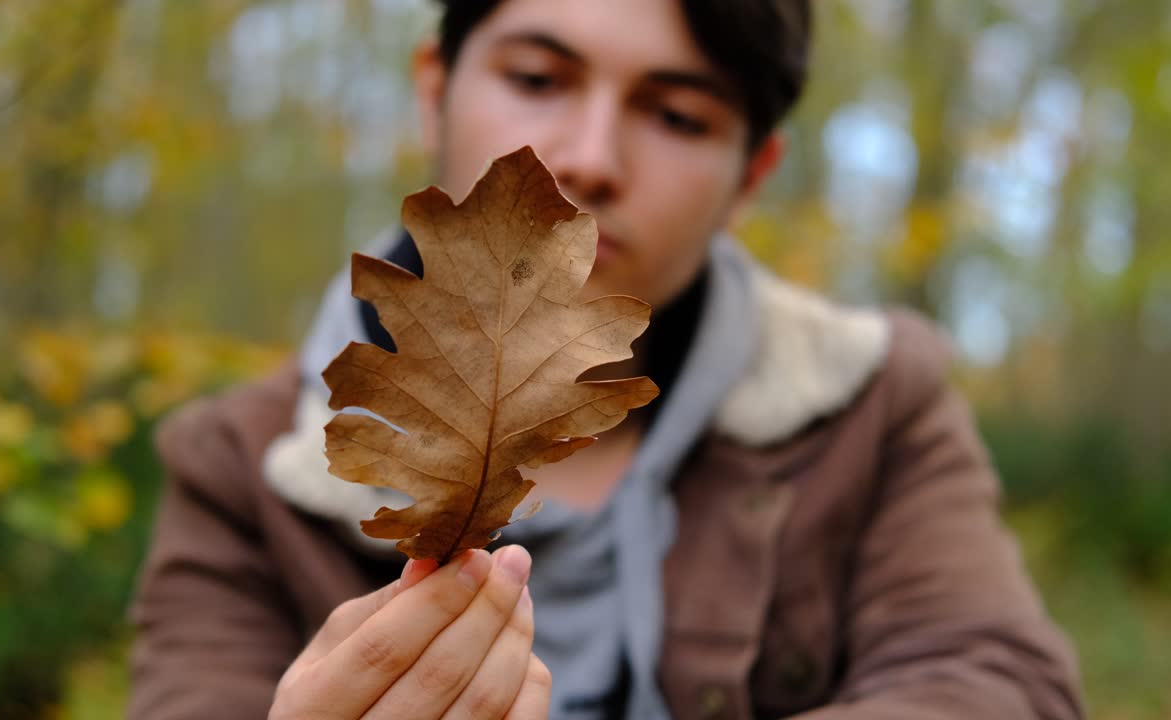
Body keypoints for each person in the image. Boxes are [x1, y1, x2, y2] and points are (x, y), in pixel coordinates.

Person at [126, 0, 1086, 718]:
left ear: (750, 176)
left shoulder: (872, 404)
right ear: (434, 90)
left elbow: (995, 679)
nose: (589, 157)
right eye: (539, 80)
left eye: (676, 116)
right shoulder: (238, 464)